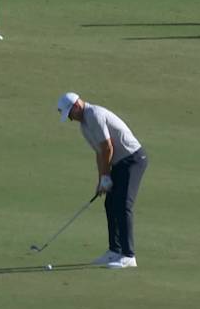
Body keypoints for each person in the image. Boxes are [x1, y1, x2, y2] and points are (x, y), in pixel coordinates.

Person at [57, 92, 148, 269]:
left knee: (123, 205)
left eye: (70, 114)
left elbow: (108, 147)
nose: (70, 119)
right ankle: (115, 251)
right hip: (120, 163)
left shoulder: (94, 115)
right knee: (110, 204)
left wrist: (106, 176)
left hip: (133, 160)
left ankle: (129, 256)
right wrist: (101, 180)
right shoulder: (84, 125)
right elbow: (100, 153)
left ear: (76, 106)